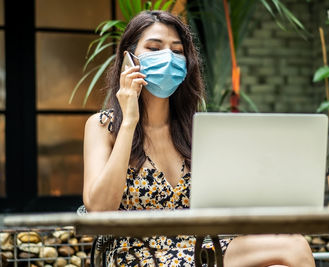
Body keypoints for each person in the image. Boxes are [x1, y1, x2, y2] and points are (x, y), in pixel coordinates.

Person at [83, 10, 315, 267]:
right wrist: (129, 121)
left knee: (295, 246)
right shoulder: (104, 126)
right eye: (154, 47)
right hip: (140, 255)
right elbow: (98, 210)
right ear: (129, 59)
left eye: (177, 50)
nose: (168, 58)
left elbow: (228, 201)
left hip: (201, 248)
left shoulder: (196, 129)